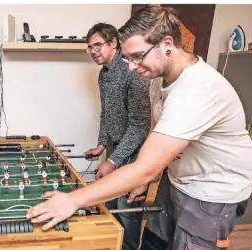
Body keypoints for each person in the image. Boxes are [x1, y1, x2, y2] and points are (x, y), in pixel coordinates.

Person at [26, 5, 252, 250]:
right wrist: (148, 177)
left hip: (213, 189)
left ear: (167, 43)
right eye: (128, 58)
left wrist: (73, 200)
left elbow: (144, 164)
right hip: (179, 176)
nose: (131, 66)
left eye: (138, 56)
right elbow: (155, 132)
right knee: (153, 242)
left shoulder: (196, 90)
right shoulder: (159, 81)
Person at [83, 22, 151, 250]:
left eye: (97, 45)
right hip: (115, 148)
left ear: (113, 43)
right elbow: (107, 112)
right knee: (111, 207)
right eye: (89, 47)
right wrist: (102, 145)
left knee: (128, 213)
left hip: (135, 154)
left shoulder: (134, 73)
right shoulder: (103, 74)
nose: (93, 51)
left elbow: (140, 127)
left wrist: (112, 162)